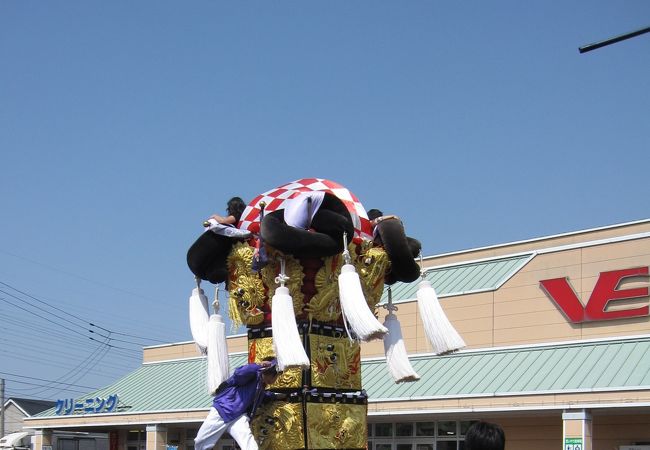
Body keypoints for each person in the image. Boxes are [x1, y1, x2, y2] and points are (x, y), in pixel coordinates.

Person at [194, 358, 282, 450]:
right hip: (223, 410)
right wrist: (259, 365)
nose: (276, 380)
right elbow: (239, 373)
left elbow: (265, 396)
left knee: (250, 445)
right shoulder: (252, 375)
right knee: (201, 441)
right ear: (271, 373)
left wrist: (281, 396)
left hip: (239, 417)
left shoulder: (260, 387)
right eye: (276, 376)